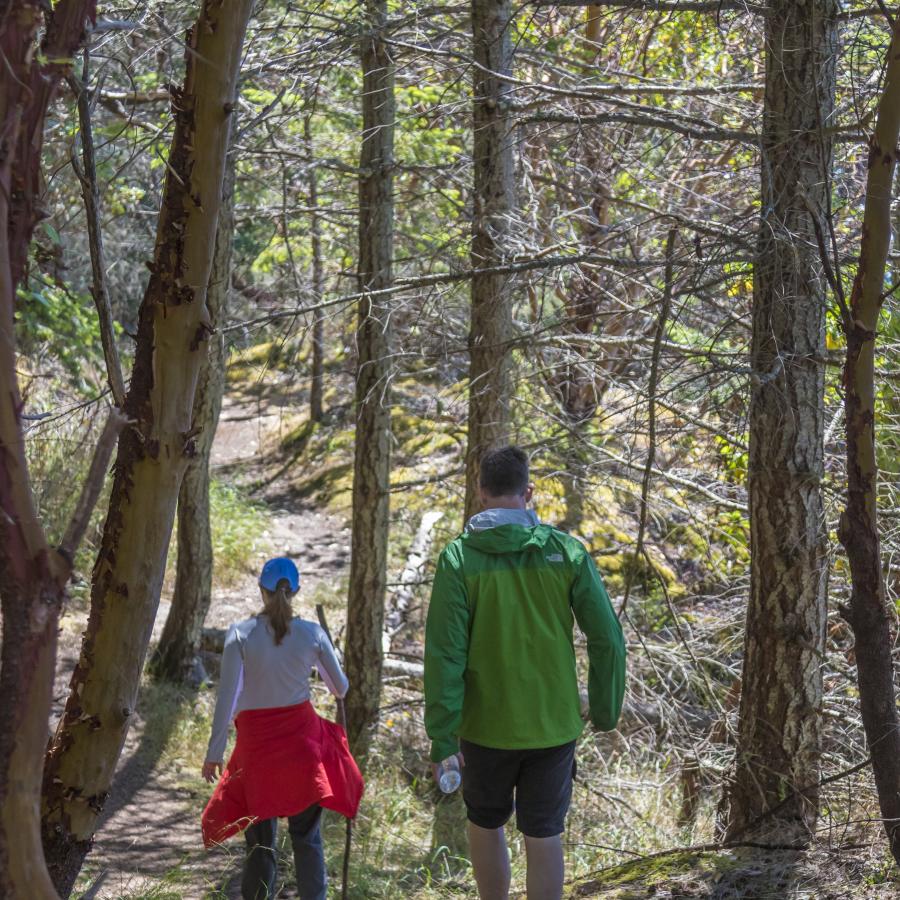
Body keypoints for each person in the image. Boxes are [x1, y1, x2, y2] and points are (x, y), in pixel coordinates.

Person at [424, 445, 626, 900]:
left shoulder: (458, 560)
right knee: (543, 832)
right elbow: (608, 639)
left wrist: (442, 735)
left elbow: (444, 654)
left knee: (485, 822)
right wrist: (606, 709)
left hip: (484, 727)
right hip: (552, 727)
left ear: (479, 493)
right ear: (528, 492)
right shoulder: (566, 552)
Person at [201, 556, 363, 900]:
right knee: (307, 837)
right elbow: (341, 688)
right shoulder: (311, 633)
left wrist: (214, 754)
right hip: (303, 753)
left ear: (261, 590)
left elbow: (226, 700)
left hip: (258, 754)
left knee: (261, 843)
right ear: (297, 590)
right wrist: (322, 650)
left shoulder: (239, 635)